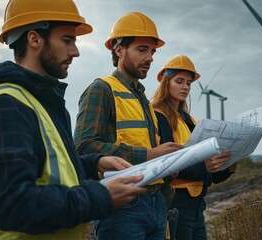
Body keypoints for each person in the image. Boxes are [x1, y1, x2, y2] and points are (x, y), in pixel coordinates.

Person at [0, 1, 146, 239]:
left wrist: (95, 164)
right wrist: (100, 196)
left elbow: (50, 169)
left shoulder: (40, 100)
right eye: (67, 40)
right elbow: (12, 204)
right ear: (34, 39)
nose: (75, 51)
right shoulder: (5, 105)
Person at [73, 12, 183, 240]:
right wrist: (150, 154)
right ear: (119, 49)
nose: (150, 57)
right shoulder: (101, 89)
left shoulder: (144, 100)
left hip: (156, 201)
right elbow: (84, 147)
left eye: (152, 51)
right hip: (123, 208)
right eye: (142, 49)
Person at [151, 55, 237, 240]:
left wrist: (227, 167)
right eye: (179, 81)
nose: (185, 87)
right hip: (176, 202)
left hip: (197, 204)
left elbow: (206, 174)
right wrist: (203, 166)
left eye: (189, 83)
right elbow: (164, 165)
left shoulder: (190, 121)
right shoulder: (158, 116)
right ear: (166, 83)